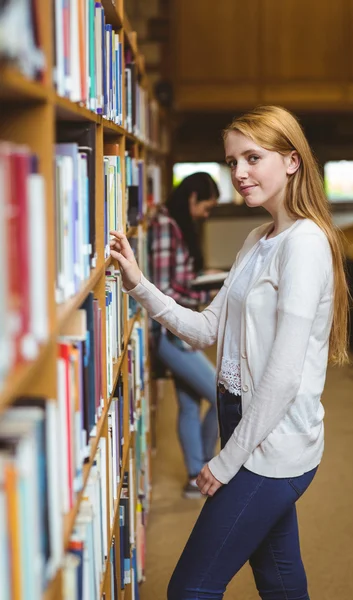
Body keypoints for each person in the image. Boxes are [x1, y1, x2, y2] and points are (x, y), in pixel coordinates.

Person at [110, 105, 350, 600]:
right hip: (242, 422)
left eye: (252, 158)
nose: (239, 173)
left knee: (190, 589)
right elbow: (204, 329)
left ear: (291, 161)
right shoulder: (258, 239)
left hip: (272, 443)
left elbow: (282, 377)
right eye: (232, 161)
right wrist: (139, 286)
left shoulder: (304, 245)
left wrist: (224, 462)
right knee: (280, 581)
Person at [148, 172, 220, 499]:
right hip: (170, 333)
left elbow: (178, 280)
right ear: (192, 198)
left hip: (179, 328)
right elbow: (162, 289)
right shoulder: (165, 226)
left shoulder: (177, 226)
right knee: (223, 396)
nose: (207, 213)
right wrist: (202, 299)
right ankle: (206, 470)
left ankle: (195, 477)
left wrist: (203, 284)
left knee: (190, 404)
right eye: (207, 206)